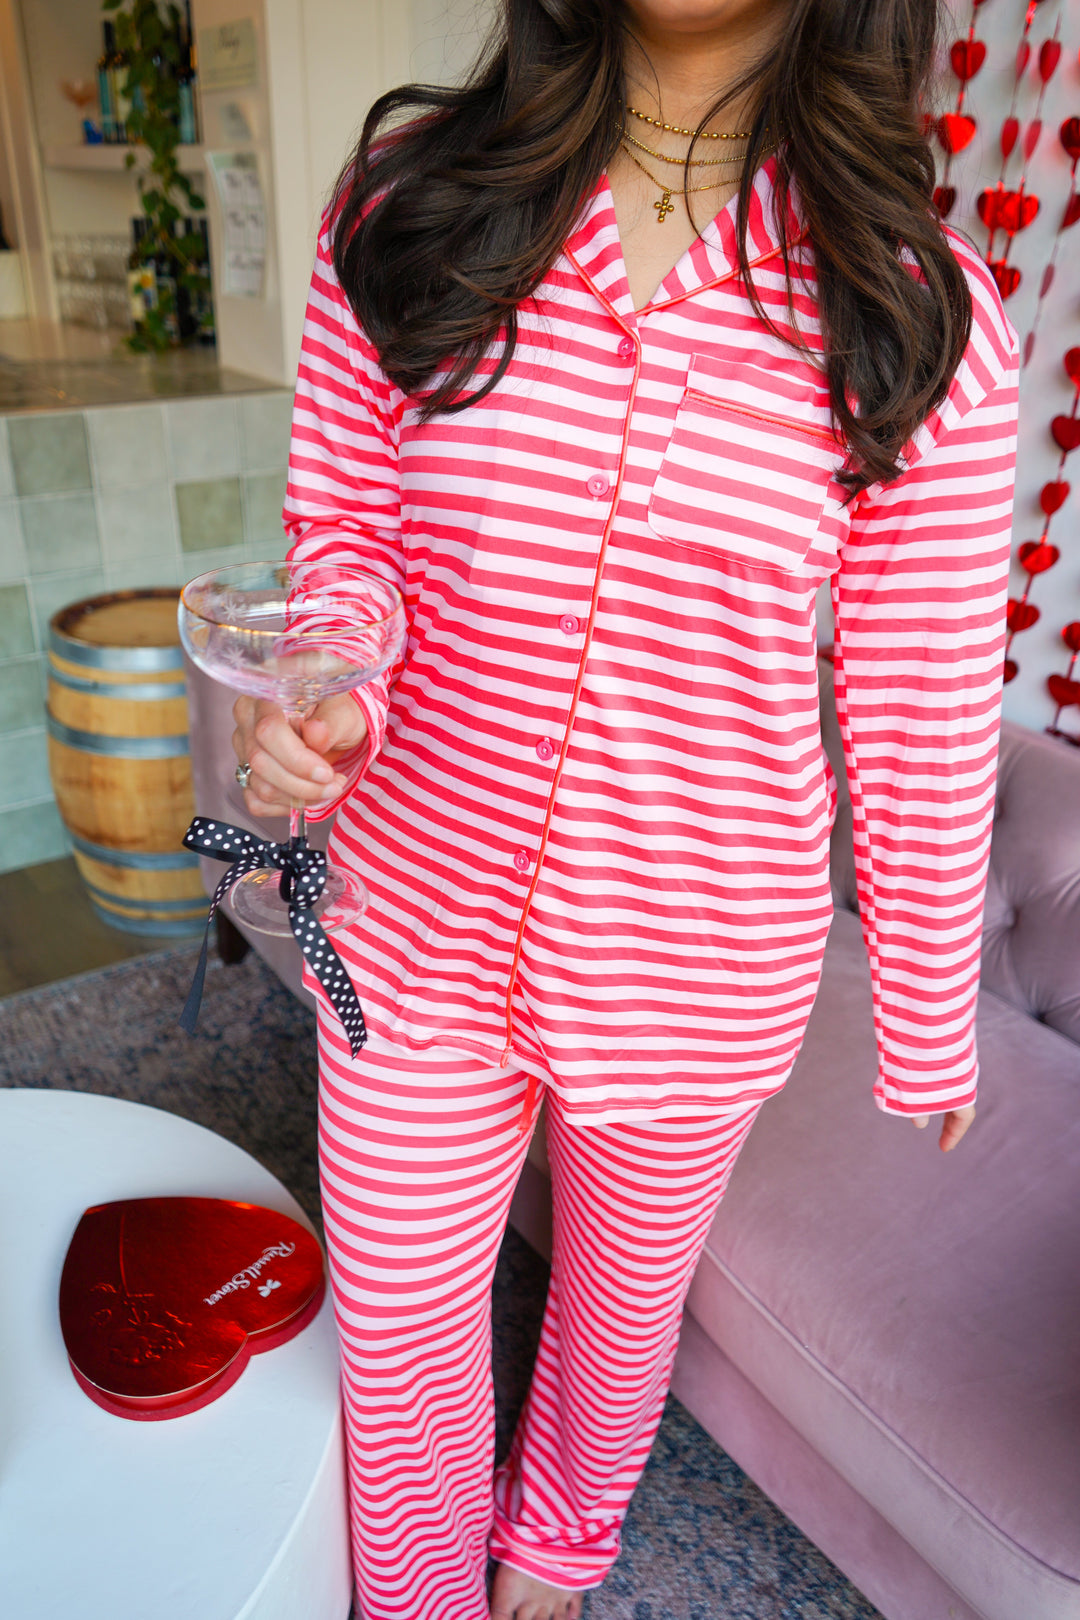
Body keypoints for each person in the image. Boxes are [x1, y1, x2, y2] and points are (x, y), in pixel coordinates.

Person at [231, 0, 1019, 1613]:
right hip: (410, 916)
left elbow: (922, 693)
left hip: (702, 951)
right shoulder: (412, 201)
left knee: (619, 1299)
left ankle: (560, 1536)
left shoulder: (912, 301)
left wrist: (930, 1004)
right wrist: (334, 689)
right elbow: (348, 537)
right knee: (396, 1313)